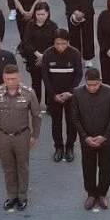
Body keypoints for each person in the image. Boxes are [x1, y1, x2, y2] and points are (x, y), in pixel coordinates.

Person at [0, 63, 40, 211]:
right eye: (8, 79)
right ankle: (11, 196)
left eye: (14, 78)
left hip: (22, 135)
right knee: (8, 167)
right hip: (3, 136)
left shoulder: (28, 93)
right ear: (3, 78)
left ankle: (22, 196)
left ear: (19, 77)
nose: (11, 82)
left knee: (22, 167)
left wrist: (35, 135)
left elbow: (36, 115)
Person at [72, 67, 110, 210]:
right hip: (86, 139)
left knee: (106, 167)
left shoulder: (109, 92)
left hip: (106, 139)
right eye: (89, 84)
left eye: (95, 84)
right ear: (85, 82)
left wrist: (104, 136)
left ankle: (102, 194)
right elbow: (75, 118)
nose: (92, 87)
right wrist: (85, 137)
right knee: (88, 167)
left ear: (100, 81)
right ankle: (91, 194)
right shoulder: (77, 93)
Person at [41, 30, 82, 161]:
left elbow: (78, 75)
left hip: (71, 95)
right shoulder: (47, 54)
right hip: (54, 96)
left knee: (72, 122)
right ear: (53, 42)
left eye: (63, 44)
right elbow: (45, 77)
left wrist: (70, 92)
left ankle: (69, 147)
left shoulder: (75, 54)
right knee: (56, 123)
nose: (60, 47)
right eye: (57, 44)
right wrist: (53, 95)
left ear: (68, 42)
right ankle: (58, 147)